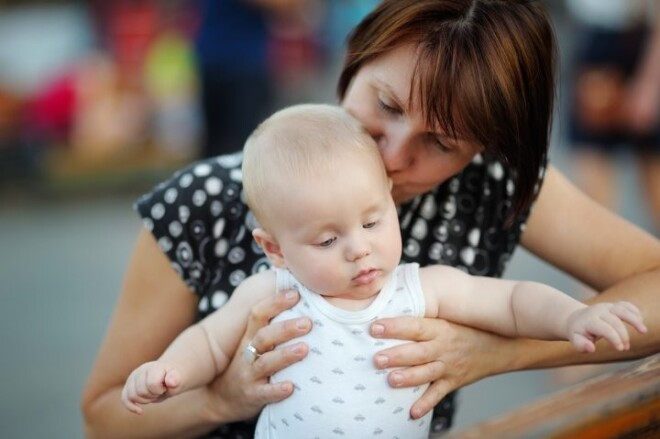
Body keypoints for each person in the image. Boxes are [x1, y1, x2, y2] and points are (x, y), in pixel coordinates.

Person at [81, 1, 660, 438]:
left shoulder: (493, 183)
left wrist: (499, 352)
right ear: (356, 58)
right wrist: (221, 398)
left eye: (440, 143)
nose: (390, 157)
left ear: (482, 149)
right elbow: (105, 416)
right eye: (386, 105)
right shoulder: (202, 201)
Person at [119, 104, 645, 438]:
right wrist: (170, 373)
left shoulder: (420, 288)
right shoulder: (272, 290)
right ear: (274, 248)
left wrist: (574, 317)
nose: (358, 250)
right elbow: (208, 343)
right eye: (327, 240)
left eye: (373, 221)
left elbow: (512, 303)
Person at [564, 0, 660, 233]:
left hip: (638, 39)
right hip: (592, 37)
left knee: (653, 175)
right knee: (592, 184)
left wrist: (649, 82)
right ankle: (597, 260)